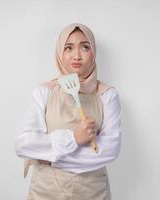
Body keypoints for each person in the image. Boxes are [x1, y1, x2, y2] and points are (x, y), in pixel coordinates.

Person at [14, 23, 122, 200]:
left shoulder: (107, 95)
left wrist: (51, 157)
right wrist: (73, 138)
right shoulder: (44, 92)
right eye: (68, 48)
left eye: (85, 47)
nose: (77, 55)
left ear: (93, 52)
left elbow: (110, 149)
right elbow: (24, 145)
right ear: (60, 53)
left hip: (92, 191)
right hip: (46, 190)